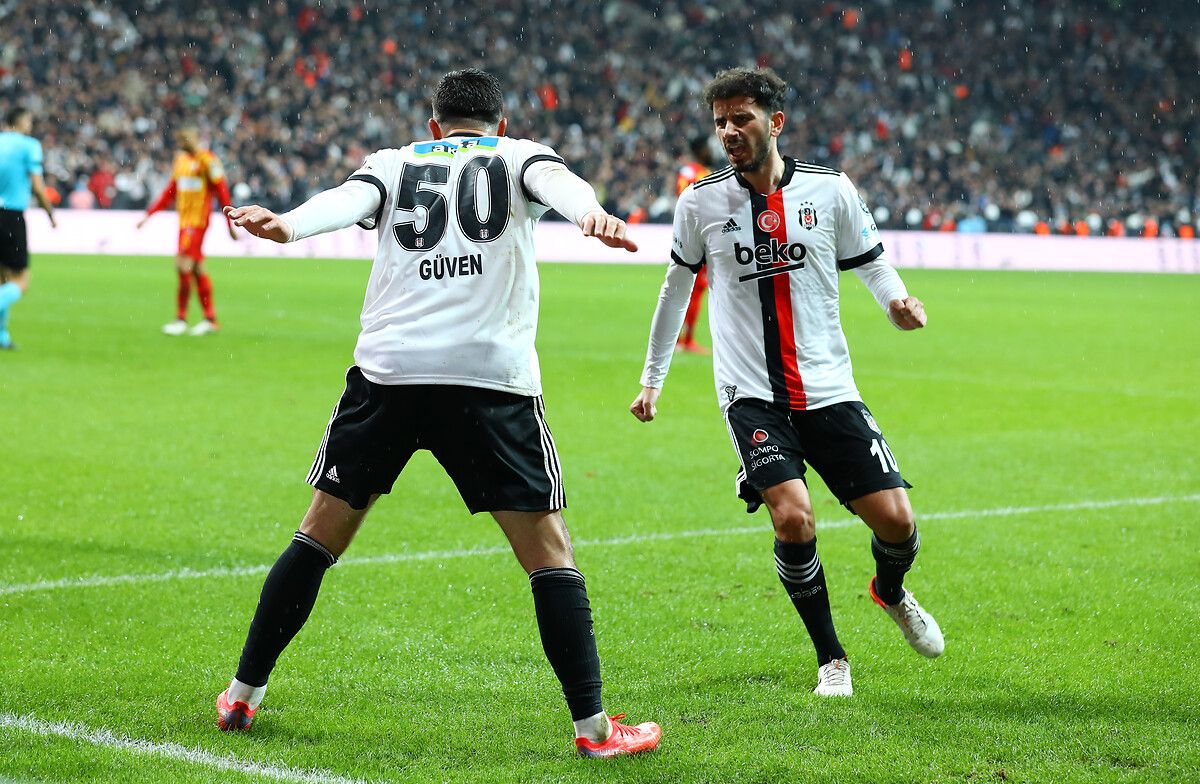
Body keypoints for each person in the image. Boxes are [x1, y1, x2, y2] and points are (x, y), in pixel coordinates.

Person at [215, 69, 661, 758]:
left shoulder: (395, 164)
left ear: (434, 126)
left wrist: (287, 225)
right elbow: (560, 186)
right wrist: (591, 213)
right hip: (488, 381)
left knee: (317, 537)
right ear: (502, 124)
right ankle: (595, 730)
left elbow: (344, 201)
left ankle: (241, 695)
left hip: (388, 377)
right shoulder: (518, 156)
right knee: (549, 552)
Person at [630, 67, 943, 697]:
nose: (728, 132)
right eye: (720, 121)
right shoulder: (701, 203)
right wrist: (652, 380)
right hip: (752, 395)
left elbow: (871, 261)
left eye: (741, 118)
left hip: (828, 386)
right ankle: (832, 657)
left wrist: (899, 304)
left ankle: (889, 591)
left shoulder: (830, 191)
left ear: (775, 121)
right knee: (793, 519)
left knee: (897, 523)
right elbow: (675, 290)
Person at [136, 127, 235, 336]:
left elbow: (222, 192)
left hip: (197, 223)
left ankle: (181, 319)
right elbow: (170, 191)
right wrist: (149, 214)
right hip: (183, 223)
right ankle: (210, 319)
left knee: (182, 265)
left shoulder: (208, 161)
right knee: (197, 268)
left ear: (197, 138)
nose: (182, 143)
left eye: (185, 138)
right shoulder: (180, 162)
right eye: (180, 140)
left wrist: (230, 223)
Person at [0, 107, 57, 351]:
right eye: (29, 121)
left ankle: (2, 337)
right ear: (20, 122)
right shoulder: (29, 145)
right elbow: (37, 185)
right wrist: (50, 213)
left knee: (3, 279)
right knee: (21, 281)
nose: (30, 126)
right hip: (11, 216)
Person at [674, 136, 717, 354]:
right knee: (696, 289)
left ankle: (679, 338)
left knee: (685, 288)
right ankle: (685, 340)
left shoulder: (686, 172)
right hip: (702, 237)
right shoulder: (703, 173)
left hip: (685, 234)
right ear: (701, 150)